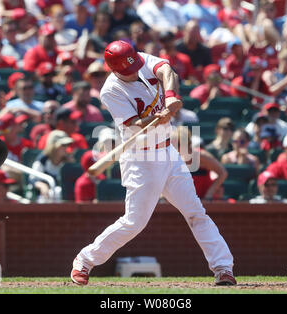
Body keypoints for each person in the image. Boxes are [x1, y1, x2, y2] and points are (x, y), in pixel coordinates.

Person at [71, 40, 236, 286]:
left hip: (168, 152)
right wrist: (155, 119)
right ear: (115, 69)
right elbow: (136, 126)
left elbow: (166, 71)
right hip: (141, 158)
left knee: (195, 212)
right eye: (128, 70)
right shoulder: (110, 90)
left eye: (135, 65)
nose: (136, 71)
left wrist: (170, 97)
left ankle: (223, 268)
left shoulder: (139, 59)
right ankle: (84, 260)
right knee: (134, 222)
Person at [173, 126, 227, 200]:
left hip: (204, 202)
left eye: (178, 144)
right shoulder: (176, 159)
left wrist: (209, 194)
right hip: (185, 202)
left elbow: (223, 173)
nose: (175, 147)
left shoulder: (200, 156)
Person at [31, 130, 74, 202]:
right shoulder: (43, 160)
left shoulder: (68, 162)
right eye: (63, 145)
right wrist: (42, 186)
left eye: (67, 145)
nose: (66, 148)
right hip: (46, 198)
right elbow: (33, 179)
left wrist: (70, 165)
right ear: (53, 146)